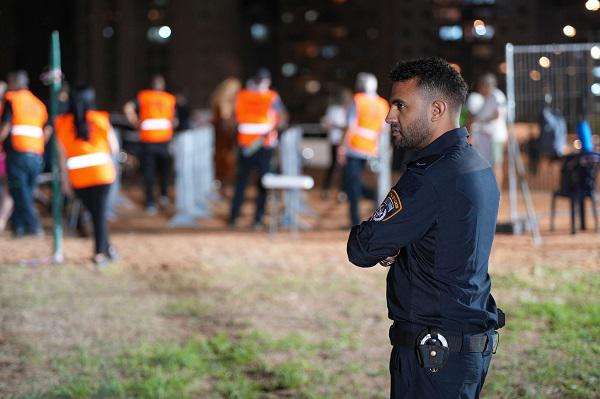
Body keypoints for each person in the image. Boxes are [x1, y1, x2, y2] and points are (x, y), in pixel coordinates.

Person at [347, 57, 502, 399]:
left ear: (436, 110)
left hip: (433, 353)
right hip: (461, 345)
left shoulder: (430, 177)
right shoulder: (474, 164)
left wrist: (394, 244)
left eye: (400, 105)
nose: (390, 115)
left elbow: (361, 248)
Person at [55, 87, 119, 265]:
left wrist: (65, 181)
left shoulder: (61, 123)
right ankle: (101, 252)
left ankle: (106, 248)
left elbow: (62, 156)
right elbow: (114, 147)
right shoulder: (100, 119)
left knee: (95, 213)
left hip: (79, 177)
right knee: (99, 215)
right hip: (102, 174)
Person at [228, 69, 287, 228]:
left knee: (241, 183)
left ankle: (233, 217)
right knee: (263, 184)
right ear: (266, 81)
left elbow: (234, 118)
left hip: (245, 144)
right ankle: (258, 219)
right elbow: (282, 118)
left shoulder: (242, 95)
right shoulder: (271, 96)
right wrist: (274, 130)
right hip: (264, 145)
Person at [0, 71, 51, 237]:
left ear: (15, 83)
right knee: (27, 191)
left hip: (17, 153)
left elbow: (6, 126)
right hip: (36, 154)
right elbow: (47, 128)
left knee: (19, 191)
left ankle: (33, 225)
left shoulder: (12, 100)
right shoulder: (38, 104)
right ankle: (19, 227)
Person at [338, 73, 390, 226]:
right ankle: (377, 199)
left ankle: (354, 220)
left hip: (354, 147)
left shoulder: (358, 100)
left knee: (351, 184)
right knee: (365, 183)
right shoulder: (382, 103)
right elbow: (384, 129)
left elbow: (350, 124)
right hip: (372, 149)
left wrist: (342, 146)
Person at [123, 74, 176, 215]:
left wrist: (135, 121)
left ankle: (150, 202)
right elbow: (173, 118)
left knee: (149, 172)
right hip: (164, 140)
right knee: (164, 170)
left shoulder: (143, 96)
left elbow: (128, 107)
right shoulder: (169, 98)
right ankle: (163, 196)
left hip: (147, 140)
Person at [467, 73, 508, 190]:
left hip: (495, 136)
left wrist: (480, 120)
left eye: (481, 86)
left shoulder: (496, 96)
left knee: (496, 165)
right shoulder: (488, 97)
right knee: (488, 165)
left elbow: (497, 115)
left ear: (487, 85)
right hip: (487, 137)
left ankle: (497, 192)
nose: (480, 89)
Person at [321, 87, 351, 198]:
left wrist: (341, 127)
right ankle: (326, 189)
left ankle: (343, 191)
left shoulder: (349, 110)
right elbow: (327, 125)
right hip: (335, 141)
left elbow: (349, 126)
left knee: (344, 168)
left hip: (346, 143)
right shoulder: (333, 109)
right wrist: (340, 127)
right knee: (333, 165)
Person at [211, 77, 241, 188]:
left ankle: (225, 183)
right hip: (222, 138)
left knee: (228, 161)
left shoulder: (230, 101)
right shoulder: (222, 101)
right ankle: (221, 184)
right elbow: (224, 121)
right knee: (223, 160)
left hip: (228, 137)